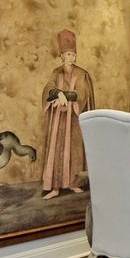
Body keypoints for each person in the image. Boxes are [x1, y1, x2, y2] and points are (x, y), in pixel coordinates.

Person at [40, 29, 96, 199]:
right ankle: (55, 187)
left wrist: (66, 96)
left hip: (74, 118)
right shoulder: (56, 72)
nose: (72, 57)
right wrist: (58, 94)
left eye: (73, 54)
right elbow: (48, 88)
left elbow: (83, 94)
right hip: (58, 119)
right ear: (62, 56)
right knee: (56, 150)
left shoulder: (82, 74)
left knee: (75, 149)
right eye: (68, 54)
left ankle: (74, 183)